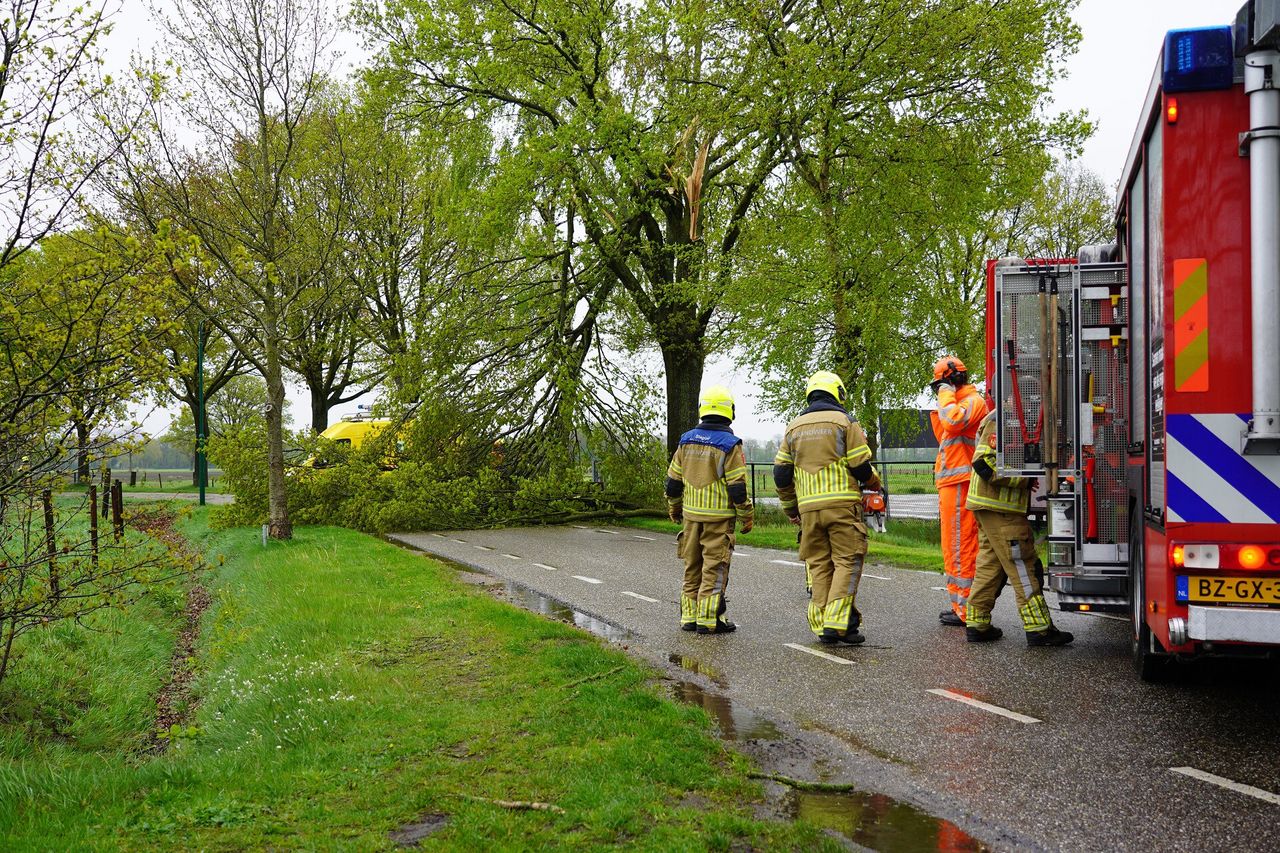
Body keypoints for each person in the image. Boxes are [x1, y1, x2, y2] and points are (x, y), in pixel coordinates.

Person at [773, 371, 881, 645]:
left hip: (809, 510)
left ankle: (825, 623)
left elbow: (781, 474)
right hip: (842, 505)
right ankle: (836, 621)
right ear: (838, 393)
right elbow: (860, 466)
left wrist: (791, 509)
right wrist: (874, 481)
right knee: (848, 560)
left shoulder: (793, 428)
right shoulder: (845, 422)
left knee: (819, 564)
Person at [965, 410, 1074, 647]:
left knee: (990, 566)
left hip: (991, 508)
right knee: (1023, 565)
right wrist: (1024, 479)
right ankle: (1039, 629)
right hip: (1001, 509)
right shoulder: (1003, 419)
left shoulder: (1010, 418)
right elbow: (983, 463)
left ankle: (977, 623)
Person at [665, 385, 754, 634]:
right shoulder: (730, 445)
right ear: (730, 412)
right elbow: (737, 488)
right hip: (719, 520)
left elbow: (673, 483)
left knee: (692, 567)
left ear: (702, 409)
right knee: (714, 568)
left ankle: (688, 618)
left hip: (691, 518)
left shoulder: (685, 441)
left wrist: (674, 508)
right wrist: (746, 515)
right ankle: (707, 620)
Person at [929, 356, 987, 627]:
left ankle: (965, 610)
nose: (938, 392)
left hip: (962, 483)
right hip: (953, 484)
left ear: (950, 382)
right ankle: (960, 605)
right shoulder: (957, 402)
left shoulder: (972, 401)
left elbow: (952, 422)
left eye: (939, 385)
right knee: (953, 548)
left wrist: (945, 393)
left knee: (962, 547)